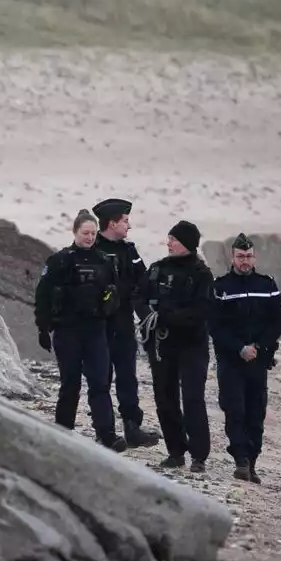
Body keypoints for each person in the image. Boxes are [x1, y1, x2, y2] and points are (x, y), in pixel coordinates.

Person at [34, 209, 128, 452]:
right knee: (70, 383)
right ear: (74, 232)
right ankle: (62, 431)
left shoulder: (104, 262)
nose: (89, 237)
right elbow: (42, 295)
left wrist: (114, 328)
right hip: (67, 331)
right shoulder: (60, 261)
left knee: (99, 383)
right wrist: (43, 328)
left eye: (93, 233)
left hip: (96, 331)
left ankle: (106, 434)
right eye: (85, 233)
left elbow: (116, 298)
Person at [135, 220, 215, 473]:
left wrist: (167, 316)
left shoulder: (202, 275)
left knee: (192, 399)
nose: (168, 243)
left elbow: (201, 312)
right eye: (168, 238)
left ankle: (199, 455)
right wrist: (150, 315)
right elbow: (139, 296)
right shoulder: (157, 269)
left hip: (192, 345)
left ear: (188, 244)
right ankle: (175, 452)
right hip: (161, 345)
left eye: (174, 239)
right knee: (165, 399)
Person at [209, 233, 281, 483]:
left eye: (249, 256)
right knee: (235, 410)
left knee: (256, 413)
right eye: (240, 256)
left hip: (259, 358)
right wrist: (239, 348)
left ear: (254, 258)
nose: (245, 261)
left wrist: (259, 346)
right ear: (232, 258)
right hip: (232, 360)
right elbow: (215, 326)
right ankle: (240, 460)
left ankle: (252, 462)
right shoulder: (221, 287)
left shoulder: (266, 285)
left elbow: (279, 320)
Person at [90, 198, 161, 449]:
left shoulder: (129, 251)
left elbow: (142, 285)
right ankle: (105, 432)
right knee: (101, 379)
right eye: (125, 221)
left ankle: (132, 428)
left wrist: (148, 317)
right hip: (97, 327)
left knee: (127, 377)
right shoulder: (91, 248)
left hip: (123, 325)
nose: (128, 226)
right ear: (112, 223)